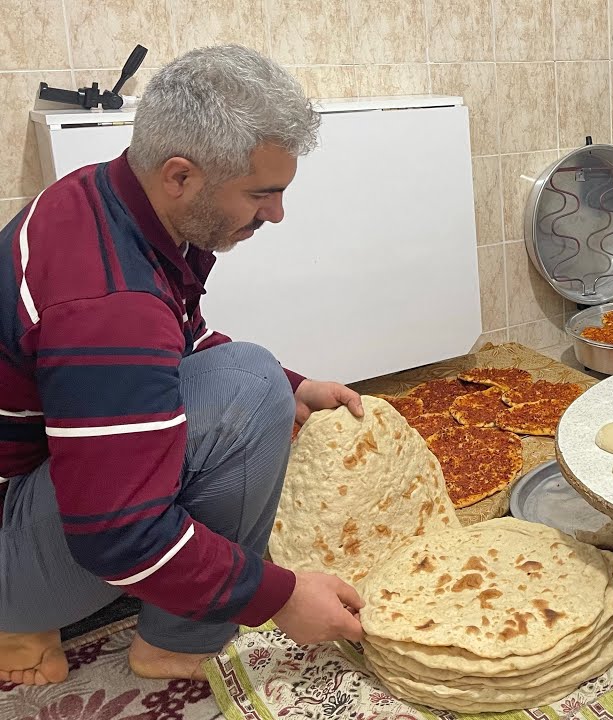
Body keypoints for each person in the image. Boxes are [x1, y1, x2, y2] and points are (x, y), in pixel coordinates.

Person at [0, 45, 368, 686]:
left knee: (260, 384)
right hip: (14, 536)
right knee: (248, 387)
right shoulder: (110, 303)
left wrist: (296, 387)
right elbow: (117, 537)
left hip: (24, 481)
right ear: (180, 175)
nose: (277, 214)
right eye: (262, 193)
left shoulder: (111, 201)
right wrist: (277, 598)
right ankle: (161, 642)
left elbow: (175, 348)